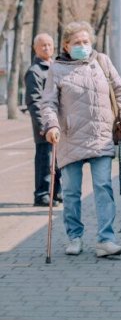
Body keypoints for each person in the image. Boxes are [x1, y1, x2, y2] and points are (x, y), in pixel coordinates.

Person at [40, 21, 121, 257]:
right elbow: (48, 102)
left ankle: (106, 239)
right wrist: (51, 125)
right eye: (77, 42)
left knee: (103, 187)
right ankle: (74, 237)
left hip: (101, 136)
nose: (83, 46)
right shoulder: (57, 68)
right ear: (66, 45)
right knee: (71, 192)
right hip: (70, 138)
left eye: (86, 41)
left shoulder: (102, 61)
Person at [25, 33, 62, 207]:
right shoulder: (35, 72)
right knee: (44, 160)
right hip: (44, 127)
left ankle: (56, 192)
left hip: (59, 123)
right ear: (35, 49)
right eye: (43, 46)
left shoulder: (56, 66)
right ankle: (41, 194)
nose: (47, 48)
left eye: (49, 44)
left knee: (57, 160)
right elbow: (34, 102)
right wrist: (44, 126)